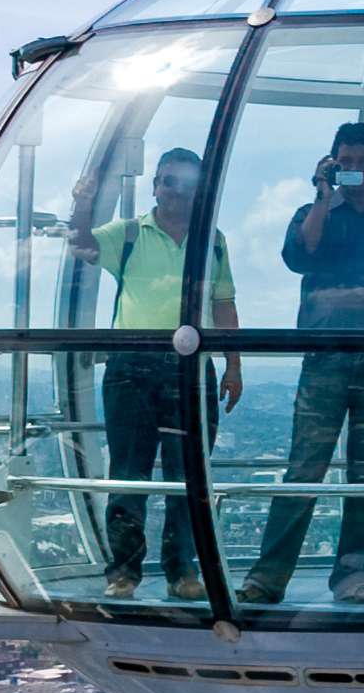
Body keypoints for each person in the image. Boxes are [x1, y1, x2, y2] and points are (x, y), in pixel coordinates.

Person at [239, 124, 364, 607]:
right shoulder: (315, 214)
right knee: (305, 468)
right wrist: (323, 196)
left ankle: (351, 574)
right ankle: (268, 578)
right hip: (325, 360)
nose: (358, 170)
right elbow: (298, 257)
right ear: (333, 163)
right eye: (347, 160)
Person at [63, 144, 238, 597]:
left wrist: (233, 363)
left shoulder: (211, 241)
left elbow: (224, 303)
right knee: (130, 473)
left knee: (188, 476)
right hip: (132, 366)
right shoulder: (128, 235)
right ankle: (124, 571)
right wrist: (81, 206)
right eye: (168, 181)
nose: (175, 192)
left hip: (192, 365)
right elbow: (81, 244)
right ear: (155, 185)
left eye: (185, 183)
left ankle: (182, 572)